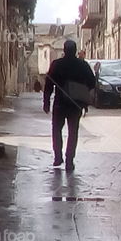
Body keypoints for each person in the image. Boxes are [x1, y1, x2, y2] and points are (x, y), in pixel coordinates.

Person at [43, 38, 96, 172]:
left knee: (56, 130)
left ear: (64, 50)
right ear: (75, 50)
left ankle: (58, 157)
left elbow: (49, 84)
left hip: (60, 103)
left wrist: (46, 102)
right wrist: (83, 94)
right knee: (73, 132)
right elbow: (92, 82)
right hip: (75, 103)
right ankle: (69, 160)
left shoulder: (57, 64)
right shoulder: (82, 65)